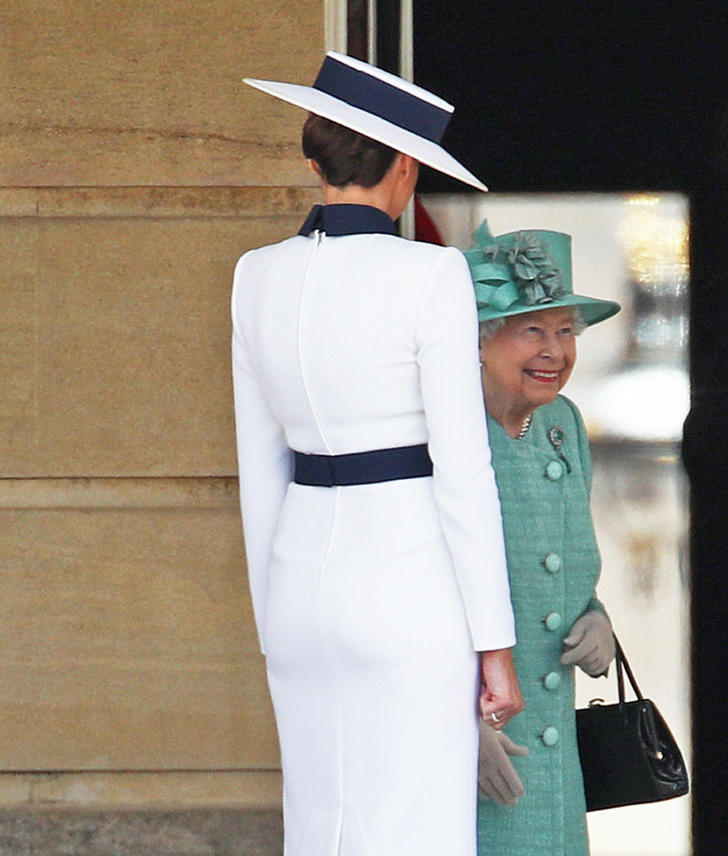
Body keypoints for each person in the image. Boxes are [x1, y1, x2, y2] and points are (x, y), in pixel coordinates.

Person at [232, 53, 523, 856]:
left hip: (297, 588)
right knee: (413, 832)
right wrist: (493, 642)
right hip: (407, 590)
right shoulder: (430, 274)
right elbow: (463, 473)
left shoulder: (254, 276)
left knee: (320, 831)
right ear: (401, 163)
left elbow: (261, 472)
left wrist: (273, 612)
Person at [464, 221, 621, 856]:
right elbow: (410, 590)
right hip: (486, 740)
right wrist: (455, 728)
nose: (555, 350)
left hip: (554, 739)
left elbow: (569, 566)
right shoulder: (446, 429)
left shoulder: (563, 422)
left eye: (565, 331)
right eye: (533, 329)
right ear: (481, 337)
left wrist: (599, 621)